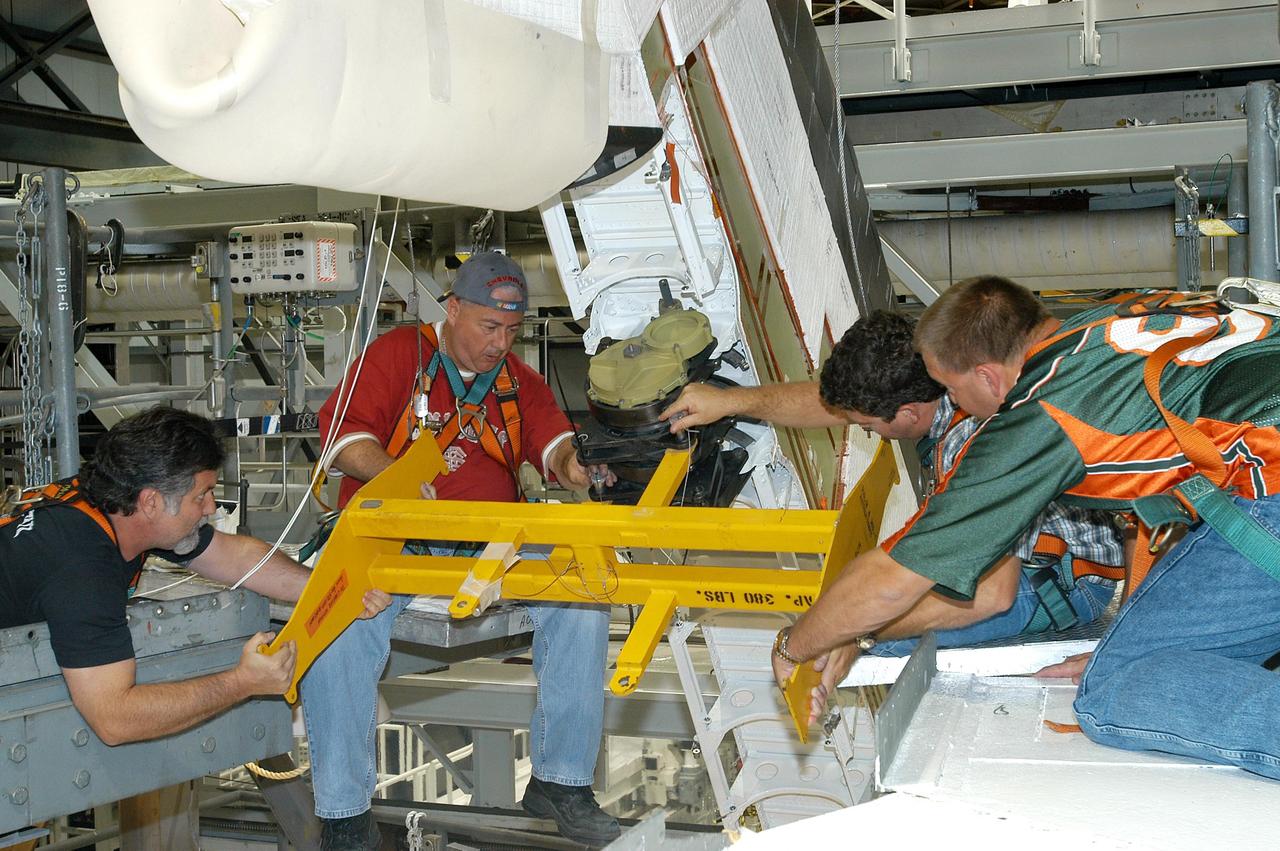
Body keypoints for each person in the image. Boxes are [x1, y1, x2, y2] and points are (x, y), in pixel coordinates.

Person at [774, 276, 1280, 780]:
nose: (951, 402)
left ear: (989, 378)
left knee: (1115, 686)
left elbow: (894, 576)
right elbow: (1149, 510)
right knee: (1142, 660)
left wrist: (795, 645)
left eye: (951, 388)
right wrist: (1126, 635)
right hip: (1258, 470)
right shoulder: (1112, 319)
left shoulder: (1037, 418)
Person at [304, 251, 620, 850]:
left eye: (512, 330)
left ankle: (561, 780)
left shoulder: (517, 383)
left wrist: (576, 468)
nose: (501, 343)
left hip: (486, 547)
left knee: (582, 585)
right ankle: (344, 816)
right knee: (341, 621)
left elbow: (553, 448)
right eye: (487, 327)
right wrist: (396, 480)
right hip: (392, 538)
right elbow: (343, 439)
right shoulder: (400, 355)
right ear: (452, 310)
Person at [659, 310, 1120, 655]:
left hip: (1059, 579)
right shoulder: (942, 370)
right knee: (855, 611)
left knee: (856, 644)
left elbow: (993, 597)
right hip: (1025, 552)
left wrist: (857, 633)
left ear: (906, 414)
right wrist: (730, 401)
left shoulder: (972, 445)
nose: (862, 431)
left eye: (866, 425)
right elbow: (831, 404)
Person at [0, 407, 389, 747]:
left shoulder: (111, 505)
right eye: (201, 495)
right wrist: (243, 682)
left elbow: (235, 557)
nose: (211, 507)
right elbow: (114, 719)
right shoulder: (82, 570)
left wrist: (330, 590)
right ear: (151, 501)